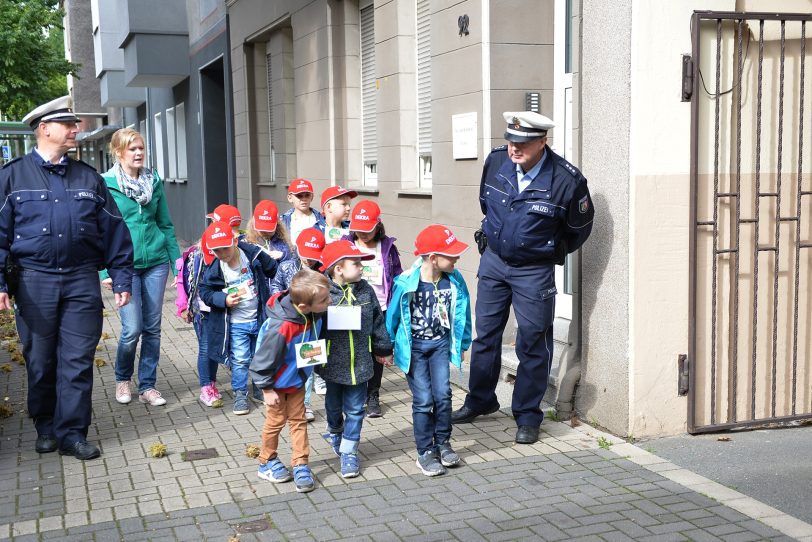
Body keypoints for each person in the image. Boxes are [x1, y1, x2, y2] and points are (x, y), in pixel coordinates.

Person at [0, 96, 133, 460]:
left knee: (77, 360)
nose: (76, 129)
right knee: (41, 360)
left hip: (80, 281)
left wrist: (121, 277)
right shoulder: (11, 177)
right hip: (33, 282)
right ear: (44, 129)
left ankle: (72, 432)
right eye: (68, 124)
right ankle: (45, 424)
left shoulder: (88, 177)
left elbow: (114, 231)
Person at [451, 111, 594, 445]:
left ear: (543, 142)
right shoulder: (496, 161)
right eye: (511, 140)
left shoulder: (567, 181)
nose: (514, 148)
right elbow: (487, 205)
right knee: (485, 335)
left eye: (523, 143)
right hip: (494, 262)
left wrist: (542, 250)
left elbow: (577, 231)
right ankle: (481, 399)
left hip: (533, 270)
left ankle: (528, 415)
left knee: (532, 340)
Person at [100, 128, 180, 407]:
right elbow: (100, 231)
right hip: (124, 267)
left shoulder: (153, 181)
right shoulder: (106, 184)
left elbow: (166, 225)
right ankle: (123, 378)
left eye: (141, 148)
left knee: (153, 328)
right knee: (132, 328)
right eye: (132, 149)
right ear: (119, 152)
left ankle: (148, 385)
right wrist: (103, 271)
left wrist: (177, 265)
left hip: (156, 263)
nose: (138, 153)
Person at [387, 225, 472, 476]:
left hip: (440, 346)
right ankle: (425, 451)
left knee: (443, 396)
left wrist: (463, 343)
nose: (456, 258)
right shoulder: (406, 283)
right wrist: (387, 346)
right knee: (424, 400)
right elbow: (392, 316)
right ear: (433, 258)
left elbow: (462, 313)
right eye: (451, 254)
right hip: (415, 349)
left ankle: (443, 443)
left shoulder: (454, 280)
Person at [252, 269, 331, 493]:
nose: (330, 302)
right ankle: (266, 461)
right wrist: (266, 389)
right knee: (275, 423)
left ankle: (301, 464)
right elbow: (262, 361)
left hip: (296, 381)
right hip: (275, 385)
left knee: (298, 421)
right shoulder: (282, 326)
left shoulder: (314, 313)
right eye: (324, 300)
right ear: (304, 306)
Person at [319, 240, 393, 478]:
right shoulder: (322, 291)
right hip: (331, 364)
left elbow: (378, 322)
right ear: (338, 268)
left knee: (355, 410)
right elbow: (311, 327)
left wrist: (383, 349)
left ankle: (349, 451)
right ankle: (335, 431)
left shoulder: (366, 290)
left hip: (361, 364)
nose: (362, 268)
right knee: (332, 406)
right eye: (356, 263)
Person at [198, 221, 278, 415]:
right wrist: (223, 299)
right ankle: (240, 394)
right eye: (216, 251)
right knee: (240, 360)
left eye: (225, 248)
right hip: (236, 323)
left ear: (234, 241)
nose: (222, 254)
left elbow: (272, 268)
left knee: (260, 357)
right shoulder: (215, 268)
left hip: (258, 318)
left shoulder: (251, 254)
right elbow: (205, 291)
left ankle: (260, 388)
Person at [342, 200, 402, 417]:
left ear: (377, 225)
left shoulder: (387, 247)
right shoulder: (346, 244)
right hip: (351, 307)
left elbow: (396, 276)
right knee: (355, 351)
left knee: (378, 351)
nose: (363, 234)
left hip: (381, 307)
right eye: (359, 229)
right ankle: (352, 394)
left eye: (367, 230)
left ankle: (373, 395)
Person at [270, 227, 326, 421]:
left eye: (314, 256)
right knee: (290, 363)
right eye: (306, 255)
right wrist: (286, 303)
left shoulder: (322, 270)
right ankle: (287, 400)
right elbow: (275, 288)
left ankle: (305, 404)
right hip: (291, 323)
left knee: (307, 362)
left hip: (313, 325)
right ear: (297, 249)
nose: (310, 260)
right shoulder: (286, 267)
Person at [175, 236, 221, 407]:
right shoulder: (193, 257)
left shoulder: (226, 255)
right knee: (205, 347)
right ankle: (205, 387)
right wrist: (183, 307)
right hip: (199, 310)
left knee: (214, 348)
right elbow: (182, 282)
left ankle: (212, 383)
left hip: (217, 308)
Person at [245, 199, 296, 265]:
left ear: (277, 224)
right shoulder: (248, 241)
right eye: (262, 230)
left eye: (269, 230)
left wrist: (283, 255)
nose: (265, 233)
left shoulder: (281, 241)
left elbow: (292, 262)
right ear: (254, 222)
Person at [279, 178, 325, 244]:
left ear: (312, 197)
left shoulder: (321, 219)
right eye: (299, 196)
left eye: (307, 195)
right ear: (290, 198)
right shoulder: (283, 221)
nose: (304, 199)